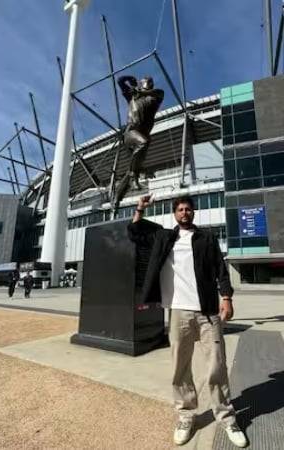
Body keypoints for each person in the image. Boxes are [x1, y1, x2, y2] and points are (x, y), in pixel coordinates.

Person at [128, 194, 248, 448]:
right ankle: (186, 416)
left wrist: (226, 297)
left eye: (188, 209)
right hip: (178, 312)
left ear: (193, 213)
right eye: (180, 209)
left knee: (217, 365)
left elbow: (220, 269)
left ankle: (226, 417)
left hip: (207, 311)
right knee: (180, 368)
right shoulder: (164, 237)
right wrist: (141, 207)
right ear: (174, 214)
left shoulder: (206, 238)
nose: (184, 212)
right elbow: (135, 231)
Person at [113, 75, 164, 210]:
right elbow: (119, 81)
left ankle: (116, 200)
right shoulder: (132, 97)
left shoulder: (156, 97)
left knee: (132, 169)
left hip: (142, 134)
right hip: (131, 134)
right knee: (144, 143)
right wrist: (130, 78)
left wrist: (140, 91)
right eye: (146, 82)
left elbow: (158, 92)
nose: (149, 83)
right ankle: (132, 176)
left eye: (150, 82)